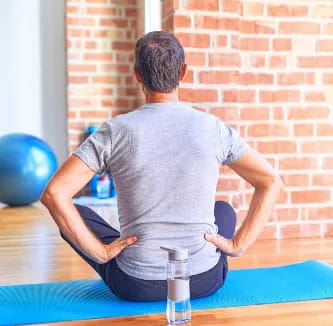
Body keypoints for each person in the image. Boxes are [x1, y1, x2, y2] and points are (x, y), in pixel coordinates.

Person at [40, 31, 283, 301]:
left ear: (137, 75)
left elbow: (54, 194)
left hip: (136, 284)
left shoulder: (115, 131)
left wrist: (101, 253)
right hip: (203, 281)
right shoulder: (213, 128)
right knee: (223, 210)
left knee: (76, 215)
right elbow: (271, 181)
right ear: (183, 73)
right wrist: (237, 245)